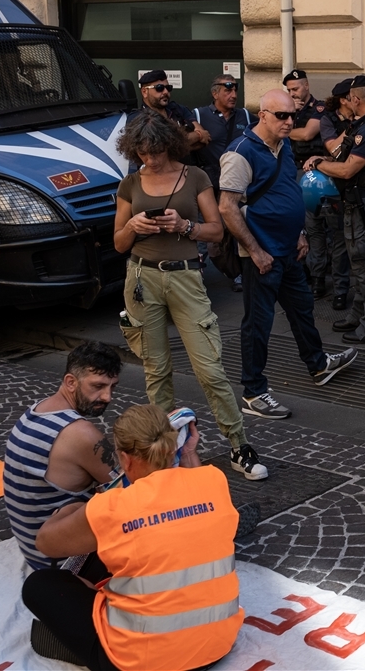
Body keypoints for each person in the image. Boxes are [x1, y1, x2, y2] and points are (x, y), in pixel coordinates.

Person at [24, 404, 244, 671]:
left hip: (142, 662)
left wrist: (72, 510)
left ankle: (88, 648)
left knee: (39, 585)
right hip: (216, 645)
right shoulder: (213, 480)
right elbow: (191, 488)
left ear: (126, 459)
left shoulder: (114, 507)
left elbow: (46, 543)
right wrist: (188, 453)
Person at [113, 110, 268, 480]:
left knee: (210, 369)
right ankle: (165, 454)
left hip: (184, 278)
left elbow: (216, 231)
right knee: (156, 370)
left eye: (157, 150)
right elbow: (118, 244)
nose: (151, 158)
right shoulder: (130, 183)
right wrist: (133, 225)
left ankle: (239, 446)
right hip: (140, 278)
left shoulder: (194, 175)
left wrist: (185, 226)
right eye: (144, 152)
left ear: (170, 143)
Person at [219, 89, 358, 419]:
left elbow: (285, 193)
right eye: (282, 116)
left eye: (292, 115)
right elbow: (227, 207)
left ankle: (318, 364)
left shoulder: (282, 146)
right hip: (262, 255)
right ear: (262, 115)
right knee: (258, 323)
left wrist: (298, 233)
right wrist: (254, 251)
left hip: (288, 249)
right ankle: (253, 392)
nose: (289, 121)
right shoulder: (241, 152)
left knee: (301, 309)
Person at [3, 342, 122, 571]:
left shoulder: (38, 410)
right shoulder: (81, 434)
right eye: (98, 386)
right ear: (70, 382)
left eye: (112, 387)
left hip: (35, 550)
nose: (107, 397)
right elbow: (127, 487)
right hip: (62, 562)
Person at [306, 75, 365, 344]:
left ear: (355, 99)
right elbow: (341, 156)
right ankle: (359, 314)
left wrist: (319, 165)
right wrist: (324, 158)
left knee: (364, 264)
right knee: (358, 263)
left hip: (362, 202)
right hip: (358, 201)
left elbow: (347, 169)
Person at [192, 74, 252, 292]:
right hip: (208, 184)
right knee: (203, 230)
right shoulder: (198, 116)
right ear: (215, 93)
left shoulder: (245, 115)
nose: (233, 95)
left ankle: (240, 274)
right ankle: (195, 277)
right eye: (228, 90)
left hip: (236, 185)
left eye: (235, 90)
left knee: (238, 229)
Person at [284, 69, 332, 298]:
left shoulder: (319, 108)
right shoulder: (289, 111)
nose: (292, 93)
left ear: (307, 86)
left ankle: (318, 277)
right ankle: (299, 272)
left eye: (295, 88)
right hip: (291, 171)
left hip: (312, 173)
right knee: (294, 224)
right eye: (289, 90)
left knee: (314, 227)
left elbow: (306, 134)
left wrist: (284, 127)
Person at [317, 78, 356, 311]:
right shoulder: (328, 120)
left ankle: (346, 289)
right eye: (353, 96)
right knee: (335, 239)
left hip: (357, 186)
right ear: (344, 100)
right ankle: (338, 290)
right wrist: (351, 127)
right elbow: (333, 149)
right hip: (333, 186)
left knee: (347, 243)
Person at [135, 69, 209, 154]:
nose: (166, 92)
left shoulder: (178, 109)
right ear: (144, 92)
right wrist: (197, 135)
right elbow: (160, 149)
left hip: (186, 166)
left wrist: (173, 147)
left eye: (168, 88)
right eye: (159, 88)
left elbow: (204, 139)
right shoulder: (138, 119)